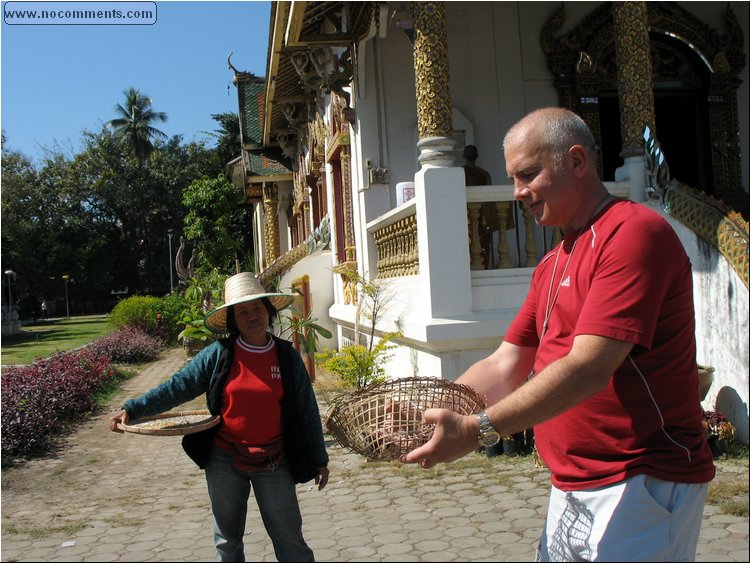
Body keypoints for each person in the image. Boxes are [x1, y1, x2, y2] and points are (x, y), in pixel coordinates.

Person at [402, 107, 715, 561]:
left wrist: (477, 429)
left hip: (640, 480)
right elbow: (505, 364)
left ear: (576, 161)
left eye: (528, 174)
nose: (517, 193)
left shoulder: (632, 234)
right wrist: (427, 411)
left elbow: (589, 368)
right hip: (572, 482)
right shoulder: (553, 262)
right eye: (512, 178)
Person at [109, 272, 329, 562]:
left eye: (257, 309)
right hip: (224, 460)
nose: (252, 317)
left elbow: (306, 408)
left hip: (274, 461)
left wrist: (319, 458)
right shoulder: (218, 355)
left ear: (268, 311)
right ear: (233, 320)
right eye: (243, 312)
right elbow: (177, 387)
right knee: (227, 541)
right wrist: (133, 407)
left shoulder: (286, 358)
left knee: (291, 542)